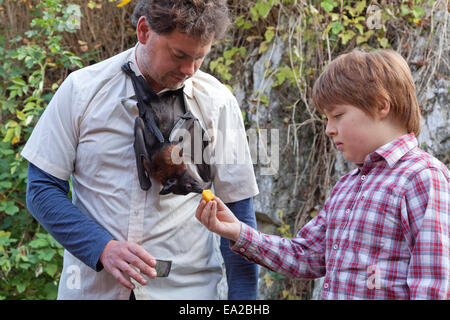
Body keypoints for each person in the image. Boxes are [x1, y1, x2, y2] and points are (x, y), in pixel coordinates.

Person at [22, 0, 259, 300]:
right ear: (144, 30)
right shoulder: (82, 91)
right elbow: (42, 189)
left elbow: (238, 215)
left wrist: (245, 302)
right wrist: (101, 248)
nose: (189, 69)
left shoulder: (217, 103)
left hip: (187, 295)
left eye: (199, 57)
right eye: (179, 54)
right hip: (93, 291)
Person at [196, 49, 450, 299]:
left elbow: (433, 284)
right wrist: (237, 231)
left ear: (381, 105)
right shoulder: (346, 186)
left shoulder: (423, 177)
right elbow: (304, 256)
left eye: (338, 115)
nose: (329, 129)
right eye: (327, 119)